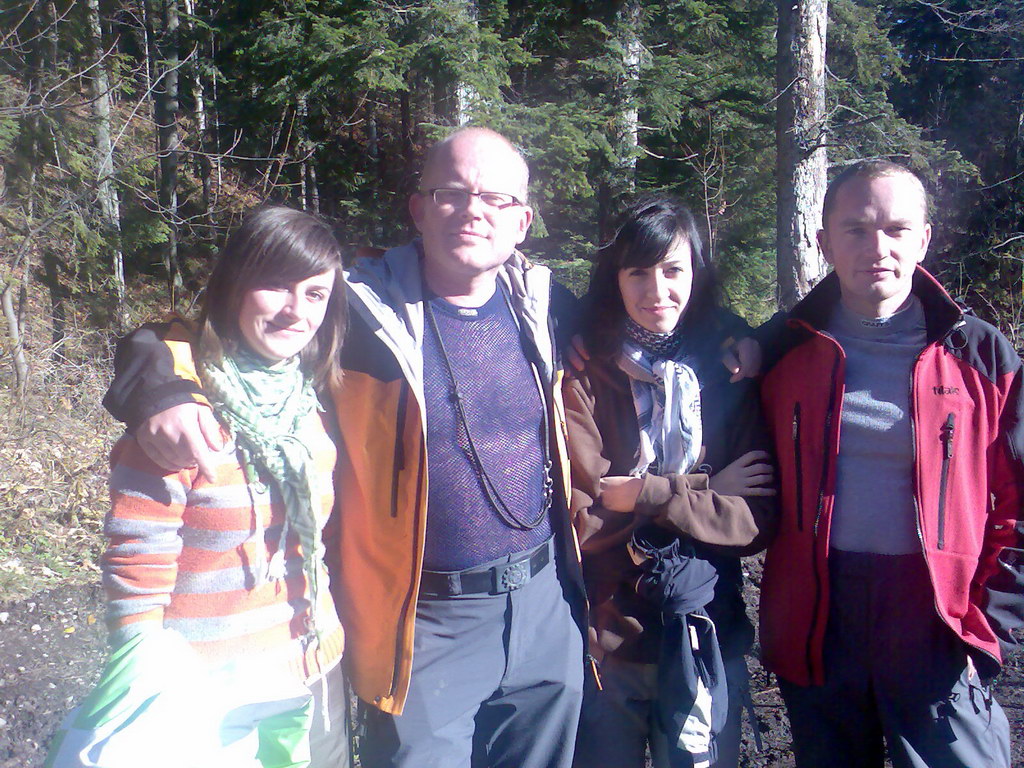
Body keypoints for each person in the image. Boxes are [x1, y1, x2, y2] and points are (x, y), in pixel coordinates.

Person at [101, 127, 587, 768]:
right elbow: (205, 331)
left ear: (523, 221)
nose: (474, 211)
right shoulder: (355, 310)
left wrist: (747, 345)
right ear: (418, 208)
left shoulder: (549, 307)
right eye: (452, 193)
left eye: (496, 199)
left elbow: (665, 320)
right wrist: (159, 388)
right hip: (423, 619)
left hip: (544, 600)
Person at [50, 206, 349, 768]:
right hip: (208, 698)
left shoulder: (313, 406)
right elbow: (137, 577)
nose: (295, 311)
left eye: (315, 294)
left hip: (313, 675)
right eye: (275, 286)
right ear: (235, 283)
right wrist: (145, 698)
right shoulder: (178, 420)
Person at [756, 160, 1024, 767]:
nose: (877, 246)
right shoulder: (782, 352)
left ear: (924, 238)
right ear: (822, 241)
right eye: (856, 229)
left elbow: (1019, 499)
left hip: (938, 616)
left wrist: (990, 621)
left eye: (897, 229)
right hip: (820, 619)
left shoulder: (979, 354)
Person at [562, 198, 776, 768]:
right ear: (616, 277)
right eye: (638, 271)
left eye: (673, 269)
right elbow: (586, 518)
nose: (657, 288)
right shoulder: (583, 371)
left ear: (696, 274)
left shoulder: (728, 371)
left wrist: (651, 493)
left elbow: (754, 519)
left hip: (708, 624)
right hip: (611, 640)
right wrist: (709, 490)